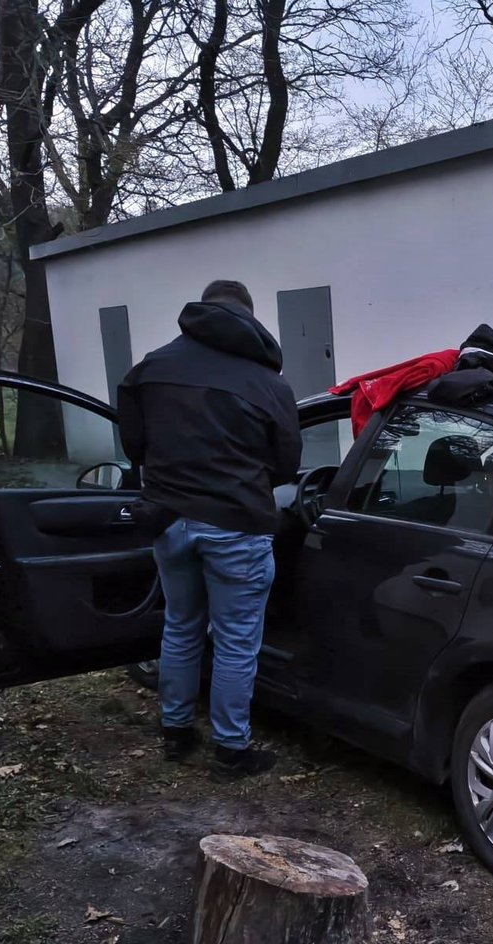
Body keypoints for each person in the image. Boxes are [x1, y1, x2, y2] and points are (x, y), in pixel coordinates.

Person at [118, 280, 301, 778]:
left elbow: (134, 449)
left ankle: (175, 733)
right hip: (237, 526)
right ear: (248, 316)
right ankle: (230, 751)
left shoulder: (150, 369)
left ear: (203, 308)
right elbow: (286, 466)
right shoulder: (269, 383)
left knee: (180, 627)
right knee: (237, 640)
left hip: (168, 521)